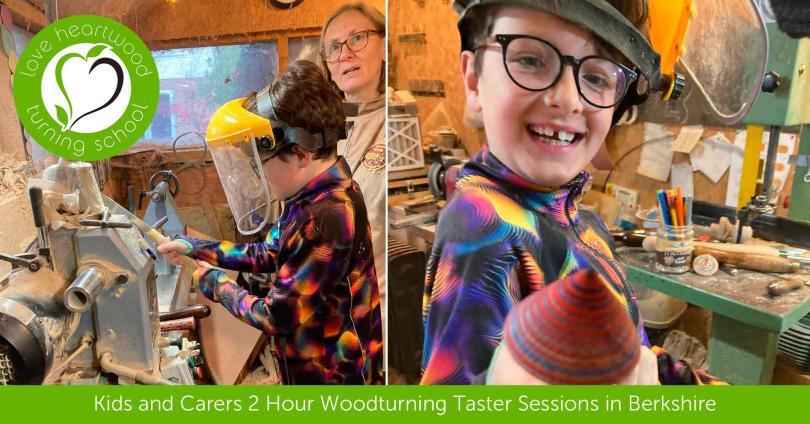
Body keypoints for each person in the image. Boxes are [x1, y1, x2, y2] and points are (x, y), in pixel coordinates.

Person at [420, 0, 717, 385]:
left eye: (596, 78)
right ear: (474, 80)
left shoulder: (582, 220)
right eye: (530, 60)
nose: (569, 99)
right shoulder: (484, 231)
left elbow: (627, 349)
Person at [158, 60, 383, 385]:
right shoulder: (310, 197)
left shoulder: (326, 216)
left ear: (301, 153)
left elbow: (276, 315)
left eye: (262, 161)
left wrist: (216, 283)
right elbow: (267, 252)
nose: (260, 173)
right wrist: (195, 247)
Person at [320, 2, 387, 324]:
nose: (344, 54)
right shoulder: (318, 129)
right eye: (333, 47)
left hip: (380, 312)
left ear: (385, 45)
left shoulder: (401, 120)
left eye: (357, 38)